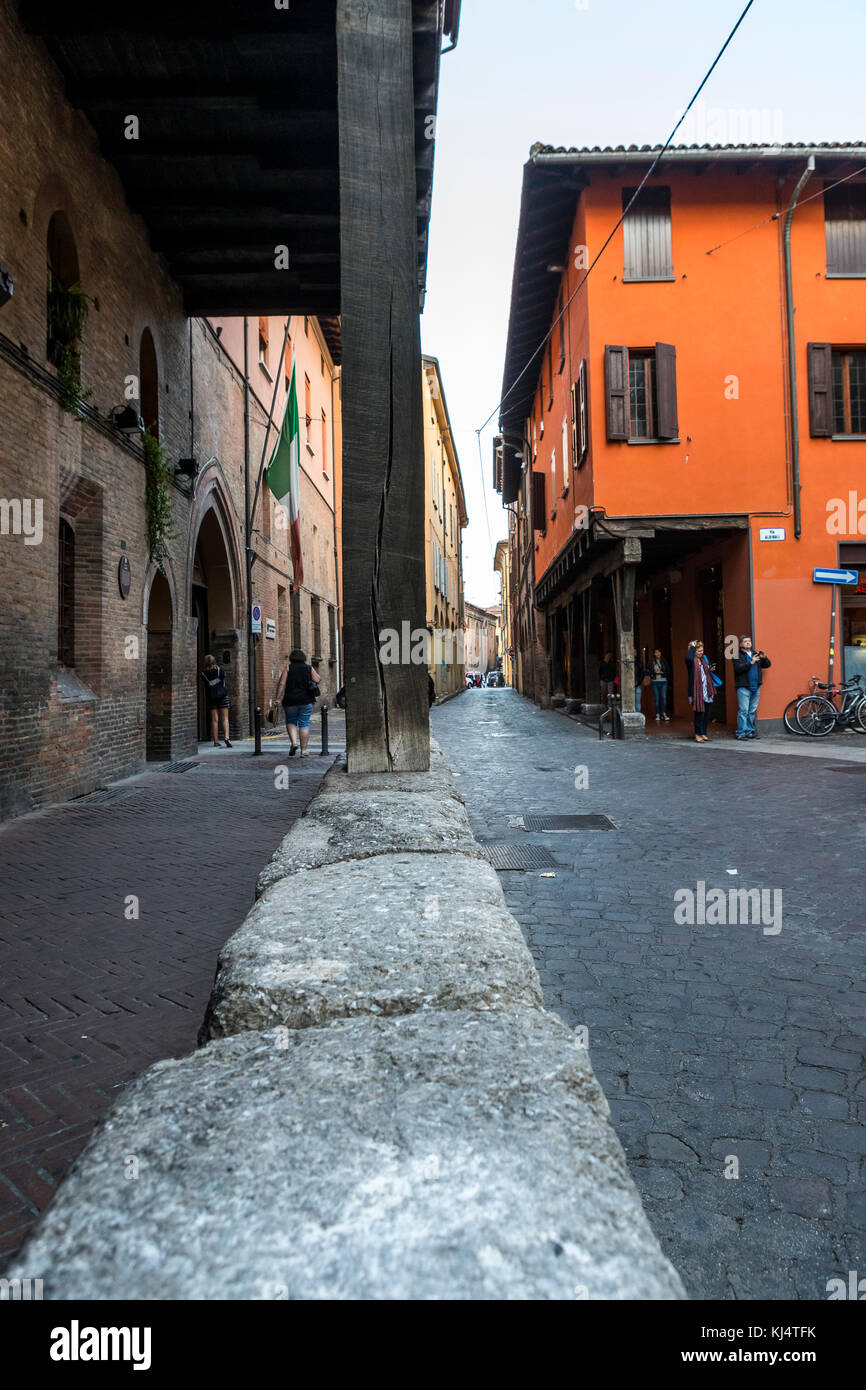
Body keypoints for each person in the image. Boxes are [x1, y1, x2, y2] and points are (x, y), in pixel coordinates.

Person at [272, 648, 321, 757]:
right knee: (304, 723)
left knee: (291, 721)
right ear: (303, 658)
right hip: (306, 700)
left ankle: (294, 743)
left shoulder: (288, 668)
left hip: (290, 700)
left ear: (291, 658)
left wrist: (277, 698)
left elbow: (281, 684)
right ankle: (303, 751)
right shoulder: (309, 668)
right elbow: (317, 680)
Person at [732, 635, 771, 740]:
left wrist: (764, 658)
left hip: (755, 686)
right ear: (741, 644)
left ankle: (749, 731)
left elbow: (767, 665)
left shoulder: (755, 654)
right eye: (745, 641)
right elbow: (738, 669)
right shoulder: (736, 655)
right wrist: (751, 662)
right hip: (743, 686)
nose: (748, 643)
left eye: (749, 641)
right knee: (743, 711)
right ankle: (741, 733)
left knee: (752, 711)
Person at [686, 639, 716, 743]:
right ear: (693, 651)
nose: (701, 653)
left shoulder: (704, 660)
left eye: (702, 650)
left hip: (706, 690)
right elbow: (688, 657)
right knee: (699, 713)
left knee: (706, 713)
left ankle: (703, 733)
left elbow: (706, 672)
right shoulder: (690, 661)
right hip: (696, 691)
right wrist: (693, 647)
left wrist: (710, 669)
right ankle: (697, 734)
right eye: (699, 651)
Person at [200, 654, 232, 748]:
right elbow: (223, 681)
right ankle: (227, 737)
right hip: (222, 696)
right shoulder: (220, 670)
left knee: (214, 720)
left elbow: (206, 686)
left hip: (211, 697)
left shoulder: (203, 674)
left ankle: (216, 741)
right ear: (214, 661)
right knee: (225, 718)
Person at [648, 648, 671, 721]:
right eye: (656, 652)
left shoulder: (664, 661)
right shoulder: (651, 662)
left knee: (664, 698)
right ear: (654, 654)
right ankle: (657, 714)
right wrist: (655, 673)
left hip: (663, 681)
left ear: (661, 653)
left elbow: (668, 671)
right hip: (655, 682)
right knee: (657, 699)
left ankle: (664, 713)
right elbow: (648, 671)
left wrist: (663, 672)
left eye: (659, 652)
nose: (657, 654)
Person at [633, 648, 645, 712]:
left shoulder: (639, 662)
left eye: (635, 651)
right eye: (632, 651)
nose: (634, 653)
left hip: (637, 684)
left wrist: (639, 682)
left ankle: (638, 717)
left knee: (638, 702)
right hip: (628, 686)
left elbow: (642, 673)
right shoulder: (626, 662)